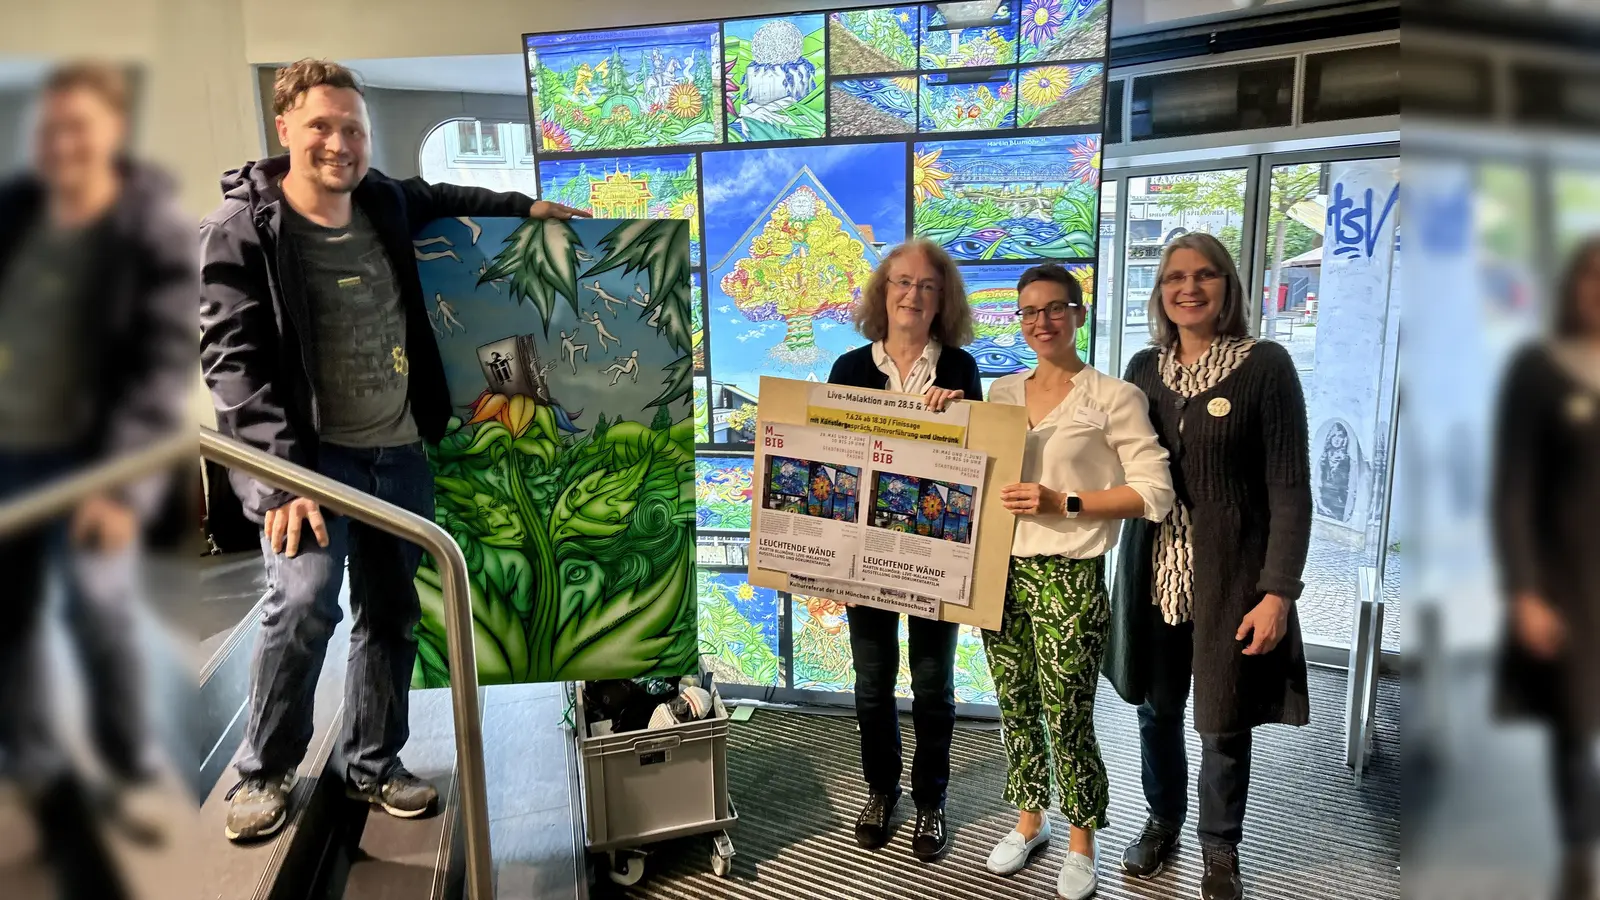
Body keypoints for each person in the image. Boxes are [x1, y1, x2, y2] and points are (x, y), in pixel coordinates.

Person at [199, 59, 586, 843]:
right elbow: (233, 368)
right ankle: (264, 770)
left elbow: (443, 196)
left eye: (353, 128)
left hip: (398, 451)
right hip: (310, 466)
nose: (339, 143)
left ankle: (372, 763)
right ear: (284, 127)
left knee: (393, 613)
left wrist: (526, 206)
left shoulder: (382, 199)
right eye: (321, 126)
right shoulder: (242, 230)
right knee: (303, 603)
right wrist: (281, 484)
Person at [0, 61, 196, 892]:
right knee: (10, 627)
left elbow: (161, 366)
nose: (62, 143)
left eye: (79, 127)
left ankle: (122, 758)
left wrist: (122, 488)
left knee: (99, 613)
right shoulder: (14, 212)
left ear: (114, 133)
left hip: (95, 465)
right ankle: (39, 775)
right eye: (51, 128)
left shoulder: (150, 229)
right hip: (10, 460)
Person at [1105, 232, 1312, 900]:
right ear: (1159, 292)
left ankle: (1220, 848)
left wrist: (1278, 593)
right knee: (1156, 708)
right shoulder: (1142, 369)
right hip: (1153, 572)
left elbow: (1290, 490)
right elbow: (1107, 453)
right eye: (1175, 278)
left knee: (1224, 717)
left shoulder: (1266, 366)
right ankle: (1162, 819)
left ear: (1228, 286)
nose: (1188, 289)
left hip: (1234, 578)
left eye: (1204, 275)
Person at [981, 265, 1173, 898]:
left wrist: (1064, 502)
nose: (1043, 321)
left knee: (1067, 713)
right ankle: (1029, 820)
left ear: (1079, 314)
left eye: (1056, 308)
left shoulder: (1113, 397)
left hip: (1070, 572)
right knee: (1015, 705)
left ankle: (1081, 838)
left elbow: (1154, 493)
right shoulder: (1000, 394)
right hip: (998, 570)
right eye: (1030, 311)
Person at [825, 237, 983, 863]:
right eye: (902, 282)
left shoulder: (960, 368)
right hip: (863, 555)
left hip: (936, 558)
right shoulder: (847, 367)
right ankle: (881, 790)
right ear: (882, 292)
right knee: (871, 682)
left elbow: (980, 460)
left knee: (933, 684)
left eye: (927, 285)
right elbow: (828, 459)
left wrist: (963, 415)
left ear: (943, 300)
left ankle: (930, 800)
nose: (913, 294)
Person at [1491, 237, 1600, 900]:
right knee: (1575, 722)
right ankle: (1577, 853)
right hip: (1568, 581)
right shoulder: (1539, 368)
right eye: (1592, 275)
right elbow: (1513, 490)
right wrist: (1525, 591)